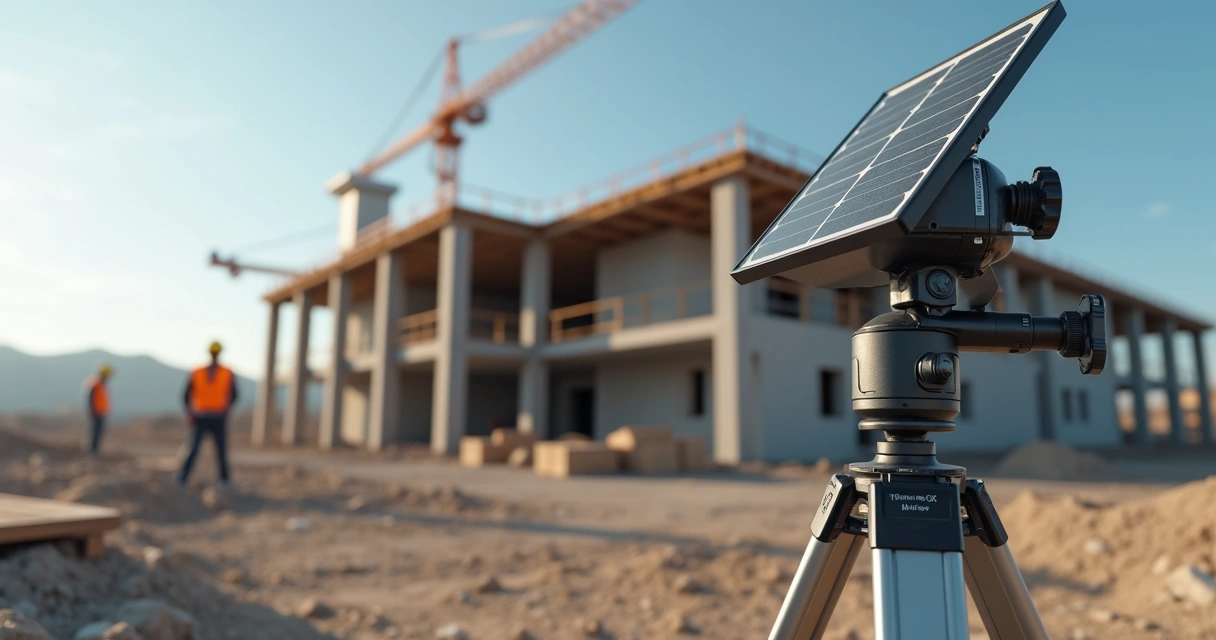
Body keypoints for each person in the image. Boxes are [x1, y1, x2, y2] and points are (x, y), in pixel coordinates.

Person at [179, 341, 238, 487]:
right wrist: (191, 412)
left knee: (221, 450)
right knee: (193, 448)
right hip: (201, 416)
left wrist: (226, 409)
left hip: (218, 416)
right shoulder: (197, 372)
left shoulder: (227, 372)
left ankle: (224, 479)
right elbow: (187, 394)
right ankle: (183, 478)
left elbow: (234, 394)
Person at [83, 364, 113, 454]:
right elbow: (90, 398)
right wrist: (91, 410)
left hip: (101, 412)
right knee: (95, 431)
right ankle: (92, 450)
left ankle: (95, 449)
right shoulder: (96, 384)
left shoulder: (101, 385)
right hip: (96, 412)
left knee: (99, 432)